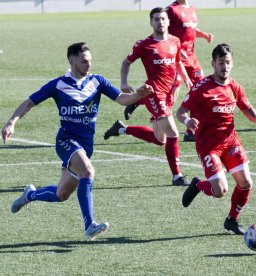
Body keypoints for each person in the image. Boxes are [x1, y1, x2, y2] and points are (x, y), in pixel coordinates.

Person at [2, 42, 153, 240]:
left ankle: (29, 195)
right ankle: (89, 225)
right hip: (66, 140)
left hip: (86, 146)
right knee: (88, 171)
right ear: (72, 61)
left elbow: (122, 99)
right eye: (83, 61)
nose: (88, 65)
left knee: (61, 194)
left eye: (90, 61)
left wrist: (137, 95)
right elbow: (30, 102)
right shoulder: (58, 84)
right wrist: (11, 122)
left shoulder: (97, 81)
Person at [176, 44, 256, 235]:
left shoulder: (234, 87)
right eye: (221, 63)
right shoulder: (202, 88)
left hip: (230, 142)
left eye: (228, 62)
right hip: (208, 146)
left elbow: (247, 109)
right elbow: (180, 111)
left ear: (232, 64)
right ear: (213, 64)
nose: (225, 67)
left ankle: (232, 220)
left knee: (246, 183)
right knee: (220, 190)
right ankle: (198, 185)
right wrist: (188, 121)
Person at [103, 7, 192, 186]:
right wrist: (123, 82)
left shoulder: (175, 41)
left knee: (161, 139)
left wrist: (187, 79)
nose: (160, 22)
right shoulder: (144, 44)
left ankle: (122, 129)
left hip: (168, 94)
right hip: (154, 93)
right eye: (156, 19)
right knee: (173, 133)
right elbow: (126, 62)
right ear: (151, 22)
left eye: (163, 19)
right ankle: (177, 176)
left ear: (168, 22)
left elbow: (177, 62)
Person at [124, 0, 213, 142]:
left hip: (191, 58)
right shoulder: (171, 9)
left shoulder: (192, 9)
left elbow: (190, 30)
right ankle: (157, 110)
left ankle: (190, 129)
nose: (160, 21)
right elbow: (163, 31)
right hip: (172, 56)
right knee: (171, 97)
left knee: (200, 91)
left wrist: (204, 35)